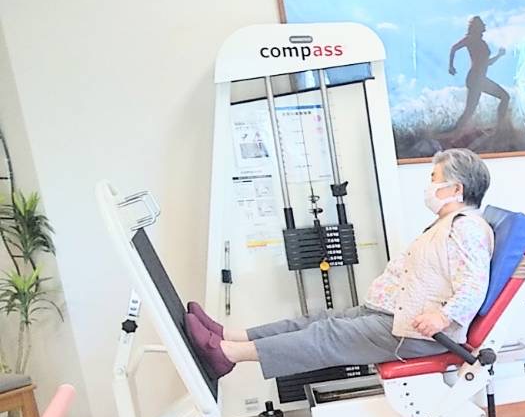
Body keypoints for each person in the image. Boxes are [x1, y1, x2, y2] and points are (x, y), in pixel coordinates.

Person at [183, 148, 494, 382]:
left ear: (456, 189)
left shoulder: (467, 227)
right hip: (391, 315)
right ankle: (229, 335)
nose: (429, 186)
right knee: (316, 320)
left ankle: (226, 354)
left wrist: (442, 317)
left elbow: (473, 284)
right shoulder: (445, 224)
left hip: (416, 333)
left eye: (434, 179)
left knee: (326, 335)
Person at [445, 16, 511, 140]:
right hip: (475, 78)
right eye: (482, 25)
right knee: (472, 109)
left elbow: (487, 63)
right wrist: (451, 66)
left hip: (480, 79)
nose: (484, 27)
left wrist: (499, 56)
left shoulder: (483, 43)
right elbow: (454, 48)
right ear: (476, 27)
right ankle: (453, 134)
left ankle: (498, 128)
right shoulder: (471, 39)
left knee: (472, 109)